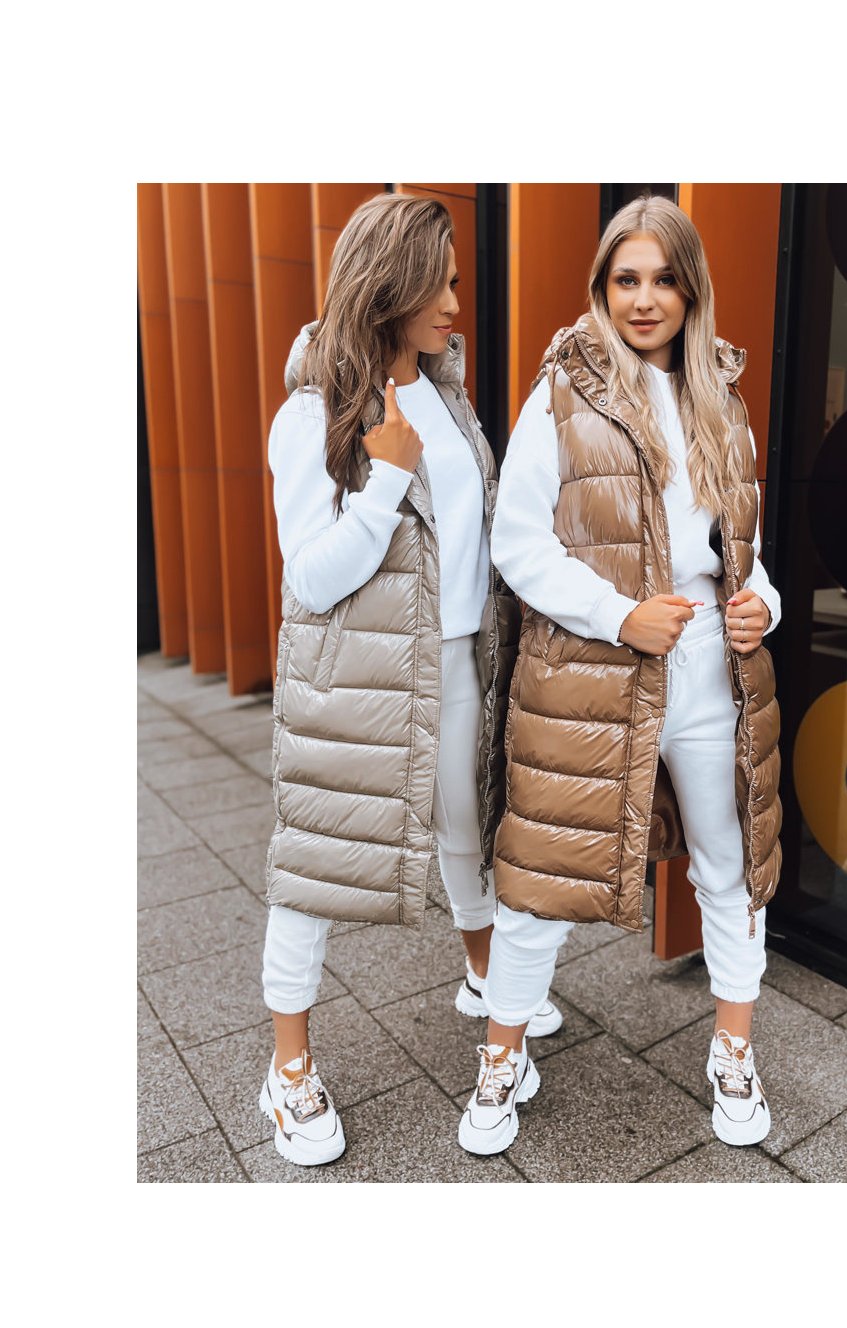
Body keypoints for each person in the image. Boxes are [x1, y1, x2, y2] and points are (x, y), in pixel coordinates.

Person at [457, 195, 783, 1157]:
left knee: (730, 869)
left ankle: (733, 1053)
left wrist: (765, 604)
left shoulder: (724, 403)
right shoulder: (562, 393)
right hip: (593, 675)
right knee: (538, 879)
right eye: (627, 279)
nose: (645, 299)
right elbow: (517, 542)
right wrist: (619, 614)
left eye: (664, 279)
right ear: (602, 287)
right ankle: (501, 1056)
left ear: (691, 291)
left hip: (710, 672)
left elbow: (743, 556)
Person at [258, 192, 561, 1168]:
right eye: (440, 285)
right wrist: (384, 479)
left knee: (470, 833)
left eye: (457, 283)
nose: (456, 306)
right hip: (359, 682)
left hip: (463, 660)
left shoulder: (443, 395)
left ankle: (483, 977)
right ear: (389, 284)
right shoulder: (312, 412)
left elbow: (479, 535)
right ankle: (288, 1072)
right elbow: (310, 577)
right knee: (317, 869)